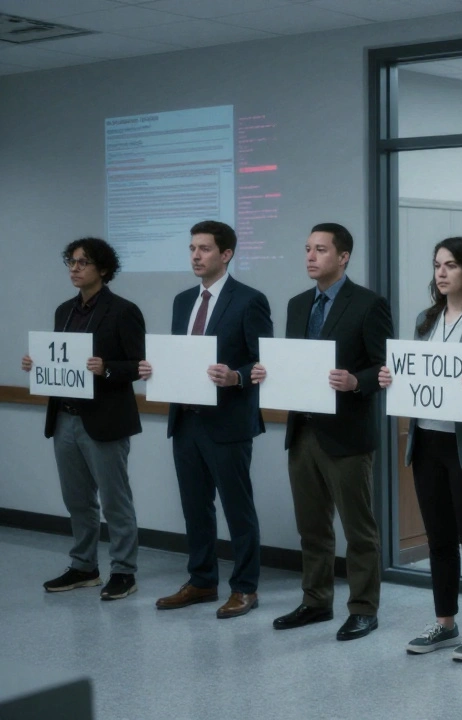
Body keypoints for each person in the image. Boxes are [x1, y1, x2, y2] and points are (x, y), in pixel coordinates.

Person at [253, 222, 393, 642]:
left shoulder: (369, 304)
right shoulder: (298, 304)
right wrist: (267, 372)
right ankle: (316, 601)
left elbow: (384, 367)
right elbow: (295, 363)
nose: (311, 257)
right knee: (312, 526)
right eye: (307, 249)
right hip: (304, 431)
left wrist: (356, 382)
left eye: (321, 250)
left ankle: (364, 608)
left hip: (347, 433)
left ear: (343, 256)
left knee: (358, 529)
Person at [378, 236, 462, 662]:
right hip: (428, 440)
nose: (440, 272)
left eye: (450, 265)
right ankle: (445, 623)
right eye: (437, 264)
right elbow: (416, 376)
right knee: (438, 538)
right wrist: (391, 380)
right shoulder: (424, 320)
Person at [141, 220, 272, 619]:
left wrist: (235, 376)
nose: (196, 256)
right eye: (192, 248)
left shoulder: (249, 300)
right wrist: (155, 369)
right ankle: (201, 581)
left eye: (205, 249)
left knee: (237, 508)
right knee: (195, 506)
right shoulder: (183, 301)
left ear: (226, 254)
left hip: (228, 421)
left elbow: (262, 361)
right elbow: (179, 356)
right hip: (186, 420)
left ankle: (245, 588)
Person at [23, 238, 145, 600]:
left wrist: (106, 368)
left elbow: (138, 366)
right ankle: (84, 565)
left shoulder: (123, 311)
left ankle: (124, 571)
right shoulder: (64, 311)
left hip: (104, 420)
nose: (74, 269)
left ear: (103, 270)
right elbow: (61, 359)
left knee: (114, 500)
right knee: (77, 499)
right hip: (64, 418)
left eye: (83, 263)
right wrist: (37, 365)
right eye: (71, 262)